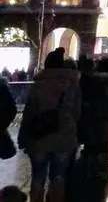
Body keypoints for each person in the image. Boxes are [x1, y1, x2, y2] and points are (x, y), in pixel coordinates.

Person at [18, 50, 81, 202]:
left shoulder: (37, 86)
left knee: (38, 177)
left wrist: (23, 136)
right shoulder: (72, 86)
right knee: (58, 178)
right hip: (64, 138)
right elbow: (77, 113)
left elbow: (29, 113)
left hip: (39, 138)